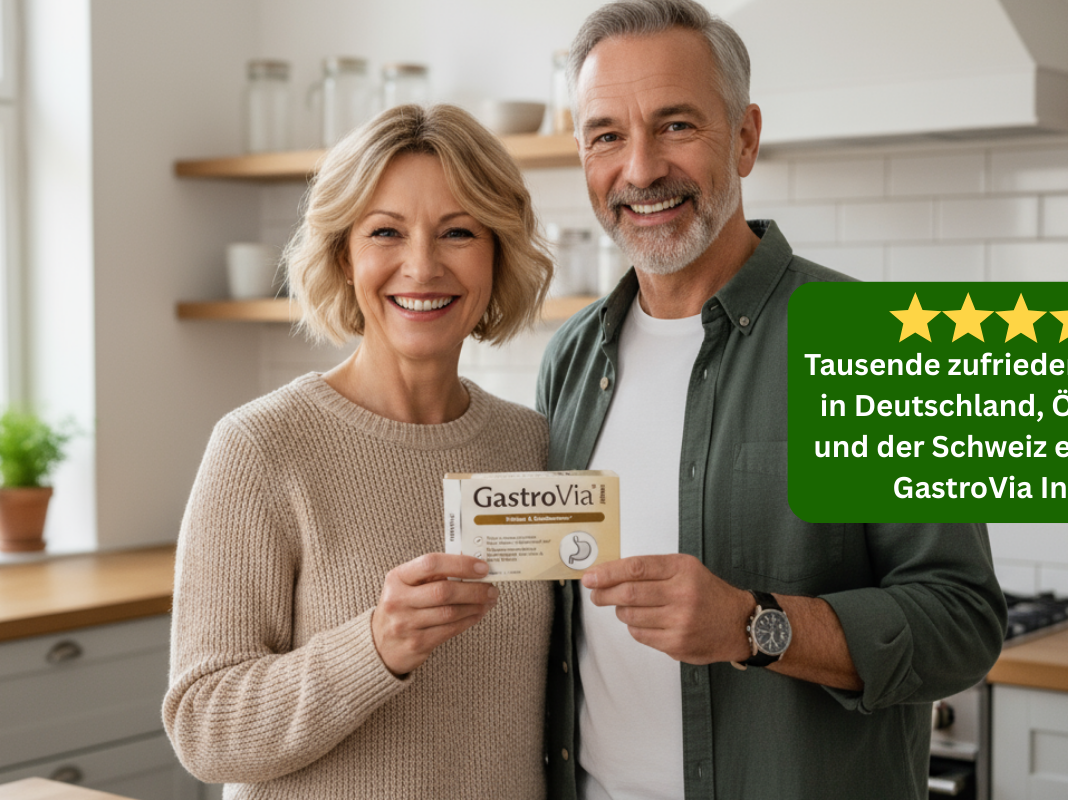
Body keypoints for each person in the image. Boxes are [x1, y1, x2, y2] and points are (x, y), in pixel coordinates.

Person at [535, 2, 1007, 799]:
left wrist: (754, 625)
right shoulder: (570, 358)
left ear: (746, 136)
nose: (642, 169)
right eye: (606, 135)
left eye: (677, 125)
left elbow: (962, 623)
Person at [163, 104, 554, 800]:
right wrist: (375, 646)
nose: (422, 265)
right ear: (345, 255)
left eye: (458, 231)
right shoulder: (260, 447)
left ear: (498, 252)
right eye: (386, 232)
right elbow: (204, 727)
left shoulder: (530, 444)